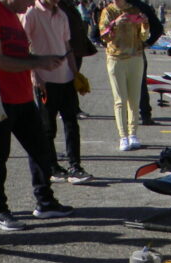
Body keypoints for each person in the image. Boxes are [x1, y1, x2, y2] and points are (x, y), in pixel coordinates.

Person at [0, 0, 74, 232]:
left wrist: (36, 70)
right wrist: (39, 62)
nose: (31, 4)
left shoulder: (12, 13)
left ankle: (45, 201)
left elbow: (18, 54)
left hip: (20, 95)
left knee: (41, 148)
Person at [22, 0, 94, 183]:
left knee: (71, 123)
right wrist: (34, 74)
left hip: (66, 77)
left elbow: (67, 46)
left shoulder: (61, 14)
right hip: (45, 79)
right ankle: (52, 167)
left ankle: (75, 166)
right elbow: (23, 45)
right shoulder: (30, 14)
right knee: (48, 128)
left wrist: (75, 73)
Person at [98, 0, 148, 150]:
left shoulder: (135, 10)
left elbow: (144, 36)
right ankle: (123, 136)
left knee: (134, 99)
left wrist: (145, 24)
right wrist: (115, 23)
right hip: (116, 59)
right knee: (120, 99)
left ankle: (133, 134)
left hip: (135, 57)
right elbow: (103, 36)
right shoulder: (108, 11)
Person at [124, 0, 162, 126]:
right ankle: (145, 115)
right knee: (140, 85)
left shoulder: (113, 9)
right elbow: (158, 29)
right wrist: (147, 43)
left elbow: (98, 32)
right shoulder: (142, 7)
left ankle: (126, 117)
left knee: (122, 87)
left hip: (120, 53)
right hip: (137, 51)